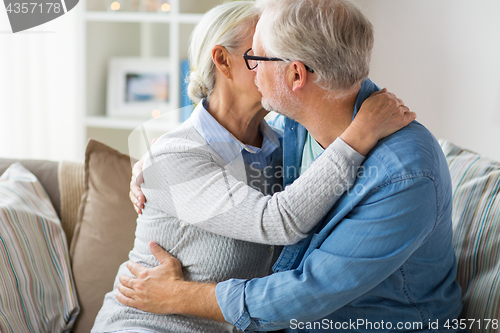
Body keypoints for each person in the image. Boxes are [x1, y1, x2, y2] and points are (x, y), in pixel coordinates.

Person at [121, 0, 465, 332]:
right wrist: (155, 163)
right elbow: (209, 146)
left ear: (295, 74)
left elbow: (306, 292)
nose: (254, 69)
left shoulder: (403, 173)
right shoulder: (295, 130)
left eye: (258, 57)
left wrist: (179, 295)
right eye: (249, 56)